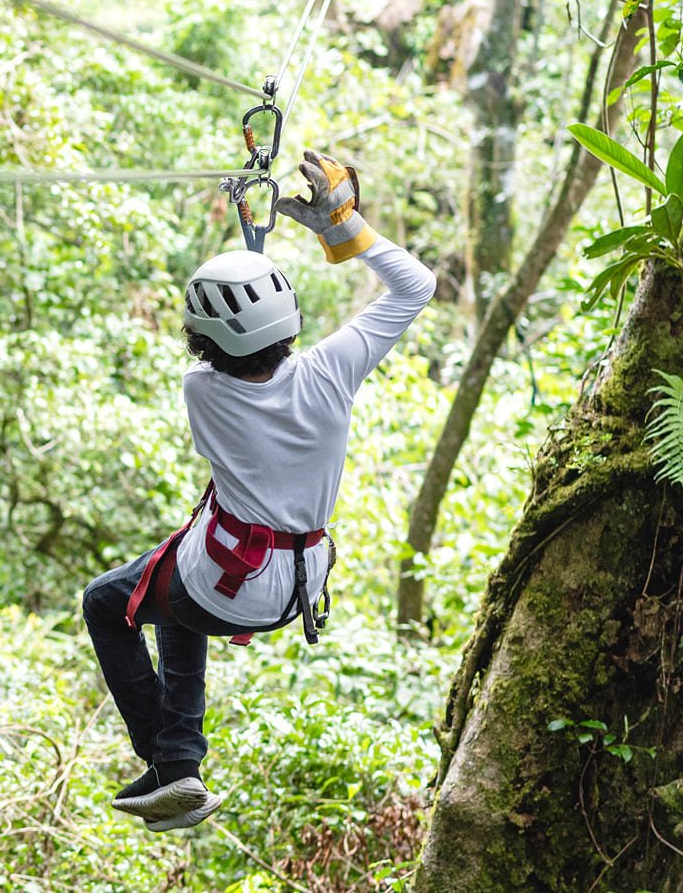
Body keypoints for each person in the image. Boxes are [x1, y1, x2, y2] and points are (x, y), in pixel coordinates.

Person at [81, 150, 437, 832]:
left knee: (109, 602)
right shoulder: (334, 373)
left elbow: (229, 347)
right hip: (300, 586)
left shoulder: (201, 390)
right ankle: (176, 765)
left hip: (228, 582)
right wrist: (343, 227)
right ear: (291, 318)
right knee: (179, 584)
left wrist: (252, 241)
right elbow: (415, 286)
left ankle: (172, 763)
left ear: (202, 342)